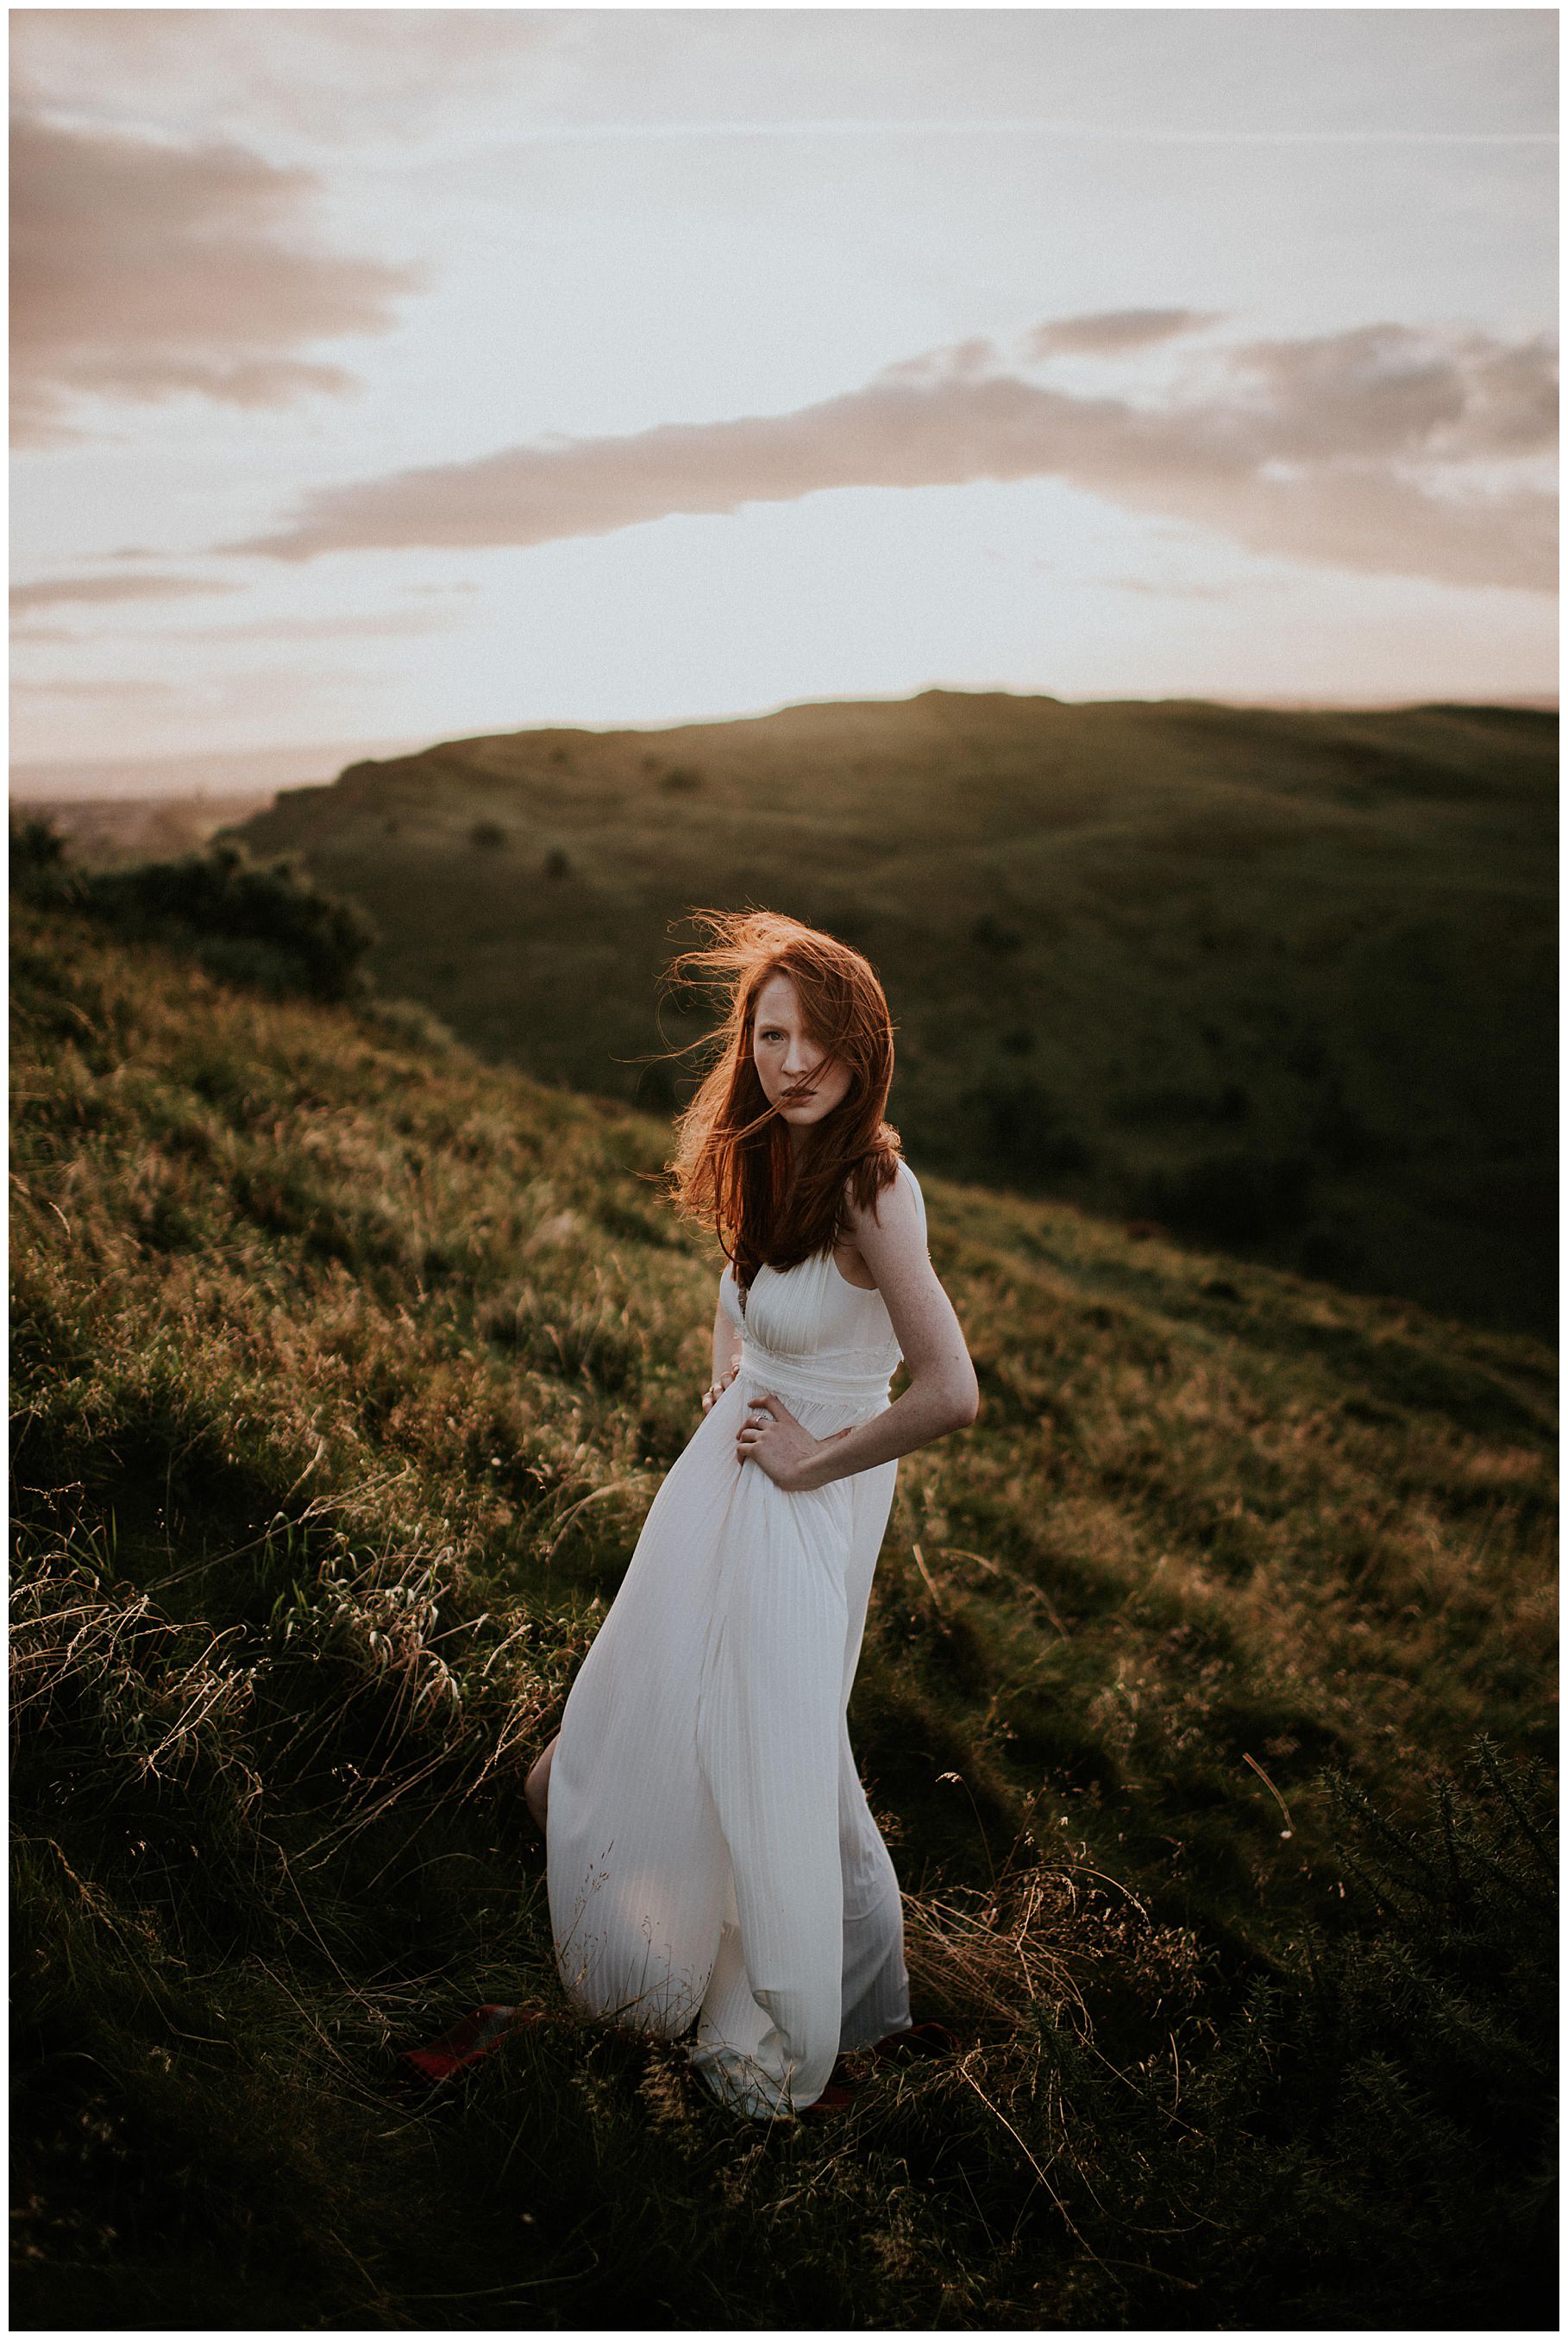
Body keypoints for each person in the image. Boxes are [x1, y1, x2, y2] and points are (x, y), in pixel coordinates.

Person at [529, 909, 979, 2118]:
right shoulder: (773, 1152)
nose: (792, 1065)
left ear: (863, 1048)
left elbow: (952, 1391)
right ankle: (664, 1892)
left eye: (819, 1042)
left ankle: (785, 1972)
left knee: (774, 1742)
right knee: (643, 1720)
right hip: (722, 1480)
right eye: (771, 1036)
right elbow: (738, 1284)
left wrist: (807, 1456)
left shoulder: (874, 1187)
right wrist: (730, 1364)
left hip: (803, 1499)